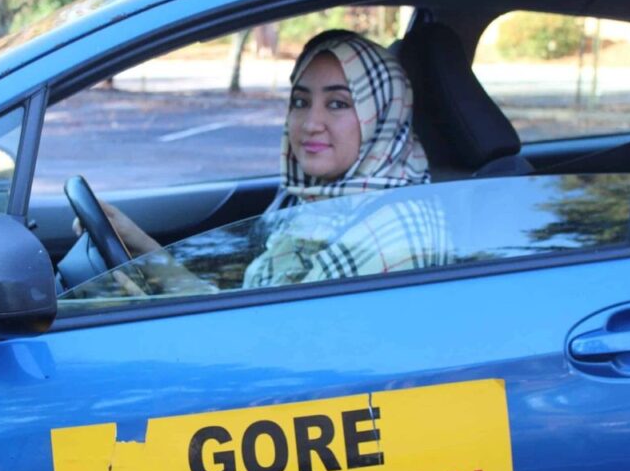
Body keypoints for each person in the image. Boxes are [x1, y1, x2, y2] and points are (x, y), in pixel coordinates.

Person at [74, 29, 452, 293]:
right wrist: (142, 247)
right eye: (301, 102)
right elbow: (251, 321)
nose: (310, 123)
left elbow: (260, 346)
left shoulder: (391, 231)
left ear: (382, 118)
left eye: (338, 103)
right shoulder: (323, 204)